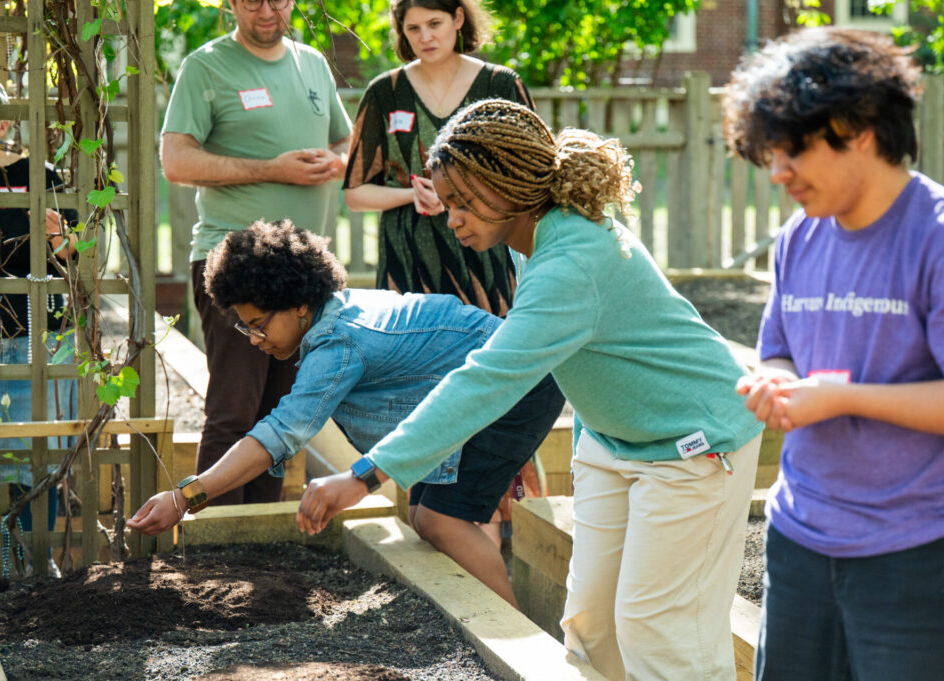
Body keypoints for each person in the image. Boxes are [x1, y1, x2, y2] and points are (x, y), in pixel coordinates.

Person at [302, 99, 765, 681]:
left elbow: (488, 378)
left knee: (662, 631)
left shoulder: (572, 259)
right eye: (449, 204)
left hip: (693, 445)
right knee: (592, 627)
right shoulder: (540, 237)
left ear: (511, 185)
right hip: (613, 442)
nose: (454, 220)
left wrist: (366, 472)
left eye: (466, 203)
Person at [723, 28, 944, 681]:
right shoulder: (798, 237)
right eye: (770, 153)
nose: (778, 172)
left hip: (924, 557)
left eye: (792, 149)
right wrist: (777, 384)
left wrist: (842, 396)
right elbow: (779, 352)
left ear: (862, 128)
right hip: (799, 543)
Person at [128, 219, 565, 607]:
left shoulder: (337, 342)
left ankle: (514, 634)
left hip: (517, 386)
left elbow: (279, 433)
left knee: (441, 520)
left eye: (259, 324)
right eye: (246, 327)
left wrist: (184, 497)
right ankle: (478, 615)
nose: (254, 339)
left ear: (299, 303)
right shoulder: (333, 314)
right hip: (493, 386)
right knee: (421, 515)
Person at [342, 0, 541, 543]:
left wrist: (472, 195)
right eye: (412, 28)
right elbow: (355, 192)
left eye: (434, 23)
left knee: (497, 384)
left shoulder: (501, 84)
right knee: (420, 391)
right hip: (412, 268)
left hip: (484, 263)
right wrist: (411, 193)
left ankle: (502, 521)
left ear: (458, 18)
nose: (425, 36)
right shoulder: (385, 92)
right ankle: (428, 522)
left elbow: (537, 171)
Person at [160, 0, 353, 506]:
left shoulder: (311, 62)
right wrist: (273, 169)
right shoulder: (206, 65)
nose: (267, 9)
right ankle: (215, 547)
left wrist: (335, 162)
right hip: (236, 269)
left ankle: (260, 548)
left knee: (282, 421)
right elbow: (175, 161)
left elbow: (346, 143)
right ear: (228, 3)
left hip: (304, 275)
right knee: (235, 413)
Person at [0, 81, 79, 541]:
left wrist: (55, 236)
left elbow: (72, 256)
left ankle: (36, 566)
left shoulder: (41, 175)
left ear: (7, 122)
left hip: (37, 336)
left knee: (36, 464)